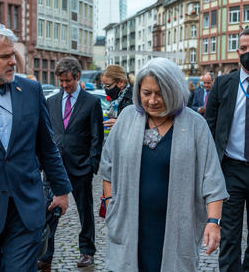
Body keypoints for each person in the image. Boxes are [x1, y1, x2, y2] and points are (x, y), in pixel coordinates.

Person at [99, 57, 229, 272]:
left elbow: (212, 179)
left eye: (159, 93)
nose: (152, 100)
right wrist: (110, 203)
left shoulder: (195, 124)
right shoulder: (127, 118)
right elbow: (107, 166)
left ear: (174, 91)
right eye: (146, 93)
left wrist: (213, 222)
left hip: (177, 227)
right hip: (130, 223)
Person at [0, 23, 72, 272]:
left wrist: (61, 190)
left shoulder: (31, 90)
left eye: (13, 55)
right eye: (5, 56)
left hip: (25, 208)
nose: (13, 62)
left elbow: (47, 145)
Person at [41, 56, 104, 269]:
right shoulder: (51, 102)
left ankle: (87, 251)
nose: (65, 85)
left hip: (81, 167)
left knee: (85, 212)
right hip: (54, 167)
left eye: (68, 80)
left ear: (77, 76)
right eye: (61, 81)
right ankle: (45, 255)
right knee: (49, 212)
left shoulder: (92, 102)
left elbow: (97, 137)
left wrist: (91, 165)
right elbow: (46, 134)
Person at [205, 27, 249, 272]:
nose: (247, 53)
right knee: (230, 232)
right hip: (230, 169)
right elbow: (209, 127)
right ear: (237, 51)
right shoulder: (222, 84)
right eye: (243, 49)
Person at [101, 65, 133, 129]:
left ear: (121, 82)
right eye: (104, 86)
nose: (106, 89)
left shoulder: (133, 98)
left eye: (108, 85)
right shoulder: (117, 97)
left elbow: (139, 124)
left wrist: (120, 123)